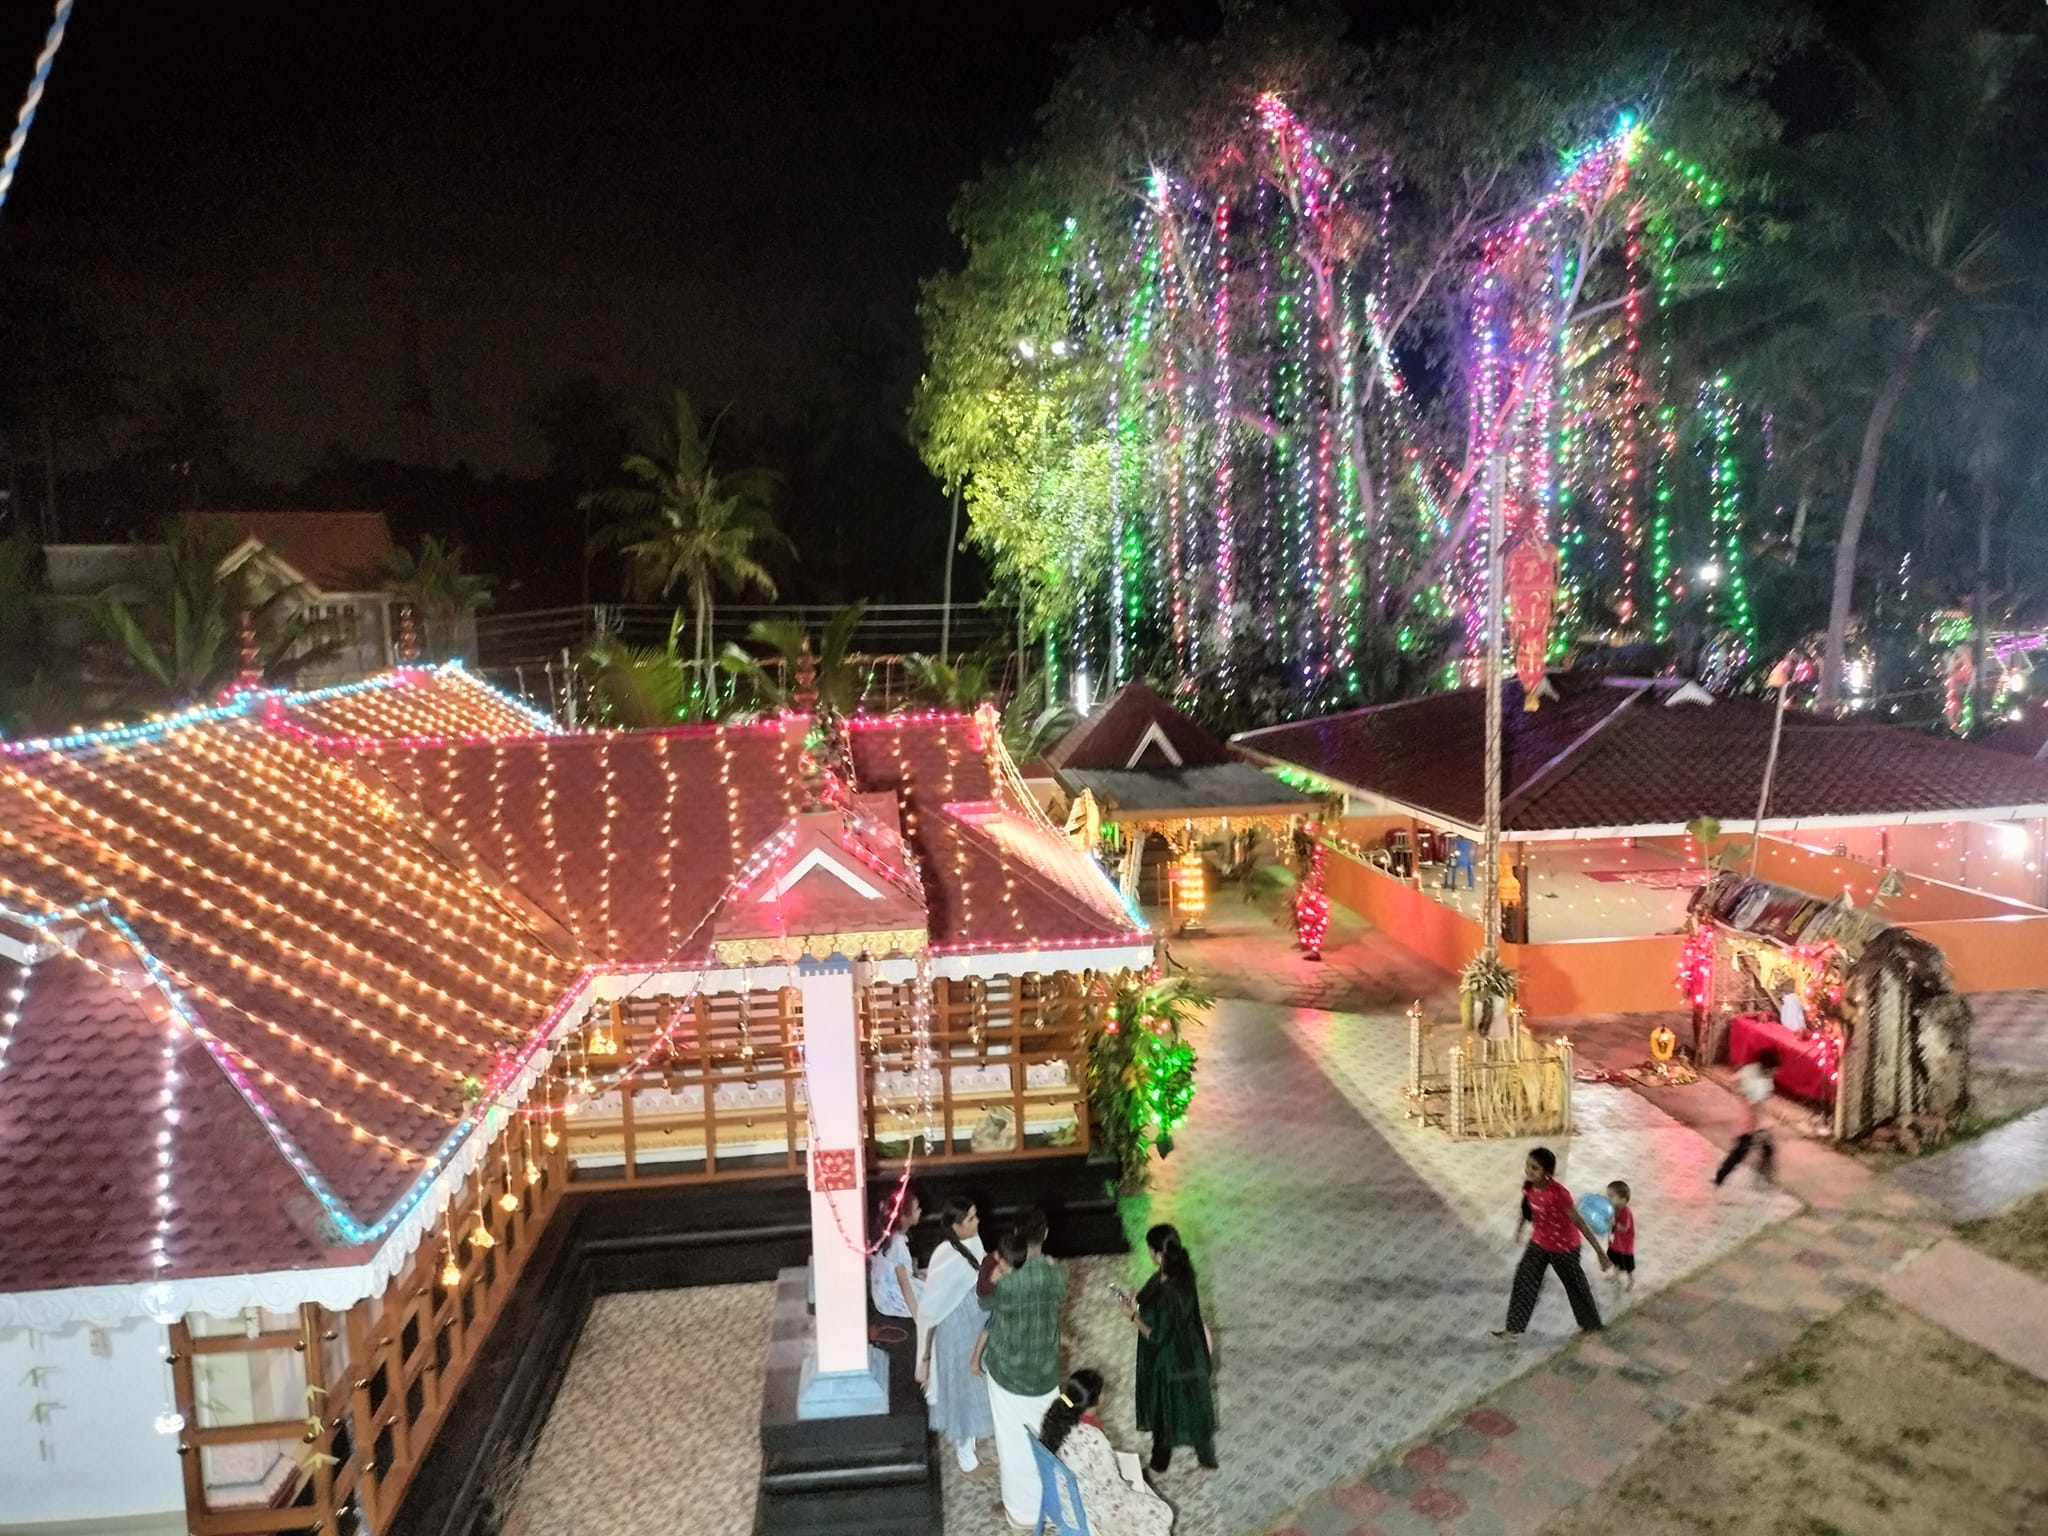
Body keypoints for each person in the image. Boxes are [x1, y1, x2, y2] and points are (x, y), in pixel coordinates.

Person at [971, 1207, 1067, 1530]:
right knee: (1047, 1439)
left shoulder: (1005, 1280)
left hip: (1008, 1372)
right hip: (1045, 1371)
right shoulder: (1056, 1273)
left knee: (1013, 1445)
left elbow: (984, 1303)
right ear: (1046, 1235)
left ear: (1015, 1234)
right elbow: (1058, 1290)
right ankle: (1052, 1504)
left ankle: (1022, 1515)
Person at [1124, 1223, 1217, 1474]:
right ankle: (1201, 1461)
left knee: (1166, 1409)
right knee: (1189, 1408)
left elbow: (1156, 1337)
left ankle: (1161, 1463)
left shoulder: (1171, 1289)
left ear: (1158, 1253)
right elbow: (1151, 1298)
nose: (1148, 1255)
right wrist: (1136, 1300)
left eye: (1150, 1250)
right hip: (1185, 1353)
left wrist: (1132, 1317)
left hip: (1174, 1360)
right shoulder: (1178, 1272)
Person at [1037, 1369, 1174, 1536]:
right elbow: (1111, 1486)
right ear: (1098, 1399)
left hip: (1062, 1500)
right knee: (1163, 1513)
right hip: (1091, 1512)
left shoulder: (1054, 1419)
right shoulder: (1094, 1437)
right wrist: (1126, 1485)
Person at [1492, 1147, 1608, 1341]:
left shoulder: (1559, 1194)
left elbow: (1578, 1222)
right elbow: (1527, 1207)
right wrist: (1520, 1228)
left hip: (1565, 1248)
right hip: (1539, 1243)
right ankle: (1513, 1330)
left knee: (1575, 1286)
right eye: (1528, 1166)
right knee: (1524, 1279)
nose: (1529, 1171)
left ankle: (1591, 1325)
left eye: (1535, 1168)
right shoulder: (1529, 1186)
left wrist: (1600, 1253)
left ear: (1547, 1173)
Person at [916, 1197, 996, 1474]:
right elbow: (932, 1309)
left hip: (977, 1325)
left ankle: (971, 1447)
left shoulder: (974, 1242)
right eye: (971, 1219)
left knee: (979, 1388)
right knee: (963, 1392)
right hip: (955, 1332)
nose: (977, 1222)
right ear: (956, 1226)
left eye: (976, 1216)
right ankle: (966, 1458)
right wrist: (925, 1357)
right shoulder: (945, 1255)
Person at [1716, 1046, 1779, 1186]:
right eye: (1774, 1068)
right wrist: (1761, 1126)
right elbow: (1755, 1107)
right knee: (1740, 1152)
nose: (1775, 1071)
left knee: (1767, 1150)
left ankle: (1762, 1176)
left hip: (1757, 1121)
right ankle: (1721, 1176)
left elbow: (1736, 1082)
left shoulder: (1757, 1074)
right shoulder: (1755, 1079)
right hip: (1751, 1123)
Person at [868, 1190, 922, 1322]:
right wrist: (917, 1317)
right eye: (916, 1209)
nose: (920, 1211)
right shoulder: (897, 1243)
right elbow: (903, 1282)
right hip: (891, 1299)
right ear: (904, 1217)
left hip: (882, 1297)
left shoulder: (887, 1237)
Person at [1604, 1180, 1636, 1292]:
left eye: (1611, 1196)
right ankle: (1615, 1275)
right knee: (1615, 1260)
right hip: (1616, 1242)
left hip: (1625, 1246)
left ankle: (1631, 1280)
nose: (1608, 1199)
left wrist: (1614, 1224)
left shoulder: (1626, 1212)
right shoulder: (1614, 1209)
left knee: (1628, 1266)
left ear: (1622, 1199)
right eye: (1608, 1196)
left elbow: (1625, 1228)